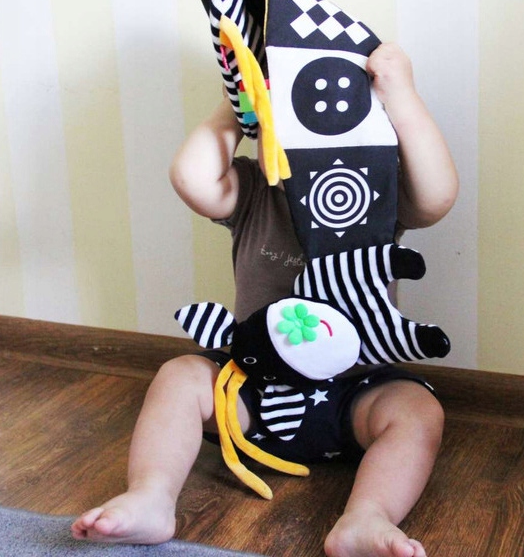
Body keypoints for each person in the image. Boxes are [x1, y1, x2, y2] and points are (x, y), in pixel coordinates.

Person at [71, 42, 459, 557]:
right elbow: (191, 177)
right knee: (179, 376)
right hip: (251, 387)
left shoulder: (377, 198)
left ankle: (366, 516)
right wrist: (237, 101)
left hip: (354, 393)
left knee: (418, 411)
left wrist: (402, 97)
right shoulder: (255, 193)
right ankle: (150, 496)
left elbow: (437, 195)